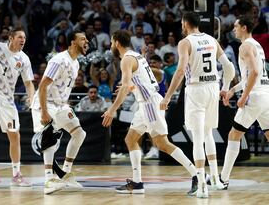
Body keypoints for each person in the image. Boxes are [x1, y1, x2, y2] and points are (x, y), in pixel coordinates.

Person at [102, 30, 198, 195]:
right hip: (144, 103)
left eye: (111, 42)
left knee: (162, 144)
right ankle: (137, 182)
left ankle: (198, 175)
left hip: (149, 105)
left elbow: (125, 86)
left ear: (117, 43)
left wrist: (112, 109)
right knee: (130, 139)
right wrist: (131, 86)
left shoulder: (126, 59)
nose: (111, 45)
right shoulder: (136, 56)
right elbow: (140, 81)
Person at [160, 12, 235, 198]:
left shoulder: (185, 42)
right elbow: (229, 67)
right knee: (209, 133)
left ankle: (202, 185)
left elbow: (179, 71)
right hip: (212, 87)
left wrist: (167, 97)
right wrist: (225, 87)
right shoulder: (211, 39)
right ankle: (216, 179)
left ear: (185, 23)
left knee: (198, 137)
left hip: (196, 89)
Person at [31, 30, 89, 194]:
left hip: (60, 104)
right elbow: (42, 86)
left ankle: (65, 173)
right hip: (45, 103)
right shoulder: (59, 60)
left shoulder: (76, 63)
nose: (87, 42)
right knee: (50, 138)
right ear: (72, 42)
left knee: (79, 134)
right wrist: (43, 112)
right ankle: (49, 179)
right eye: (83, 39)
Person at [0, 27, 35, 186]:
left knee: (14, 135)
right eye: (20, 37)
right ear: (11, 37)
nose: (23, 40)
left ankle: (16, 174)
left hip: (7, 100)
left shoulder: (24, 59)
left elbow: (29, 83)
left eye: (24, 38)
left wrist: (31, 98)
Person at [220, 15, 269, 189]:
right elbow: (251, 75)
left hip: (255, 97)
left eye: (236, 26)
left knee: (234, 135)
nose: (233, 29)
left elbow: (254, 73)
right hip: (266, 95)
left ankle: (223, 179)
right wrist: (233, 90)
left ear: (244, 28)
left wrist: (243, 95)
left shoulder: (245, 46)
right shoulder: (257, 45)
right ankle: (223, 178)